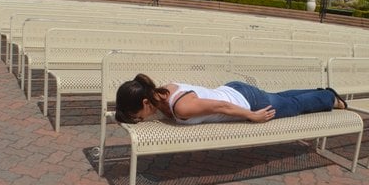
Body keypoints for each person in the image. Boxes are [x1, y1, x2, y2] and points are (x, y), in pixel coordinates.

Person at [114, 73, 348, 125]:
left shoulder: (181, 105)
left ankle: (329, 98)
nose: (139, 120)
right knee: (280, 98)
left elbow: (221, 106)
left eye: (137, 117)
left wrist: (252, 116)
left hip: (246, 101)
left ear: (145, 103)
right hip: (234, 89)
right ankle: (320, 92)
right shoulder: (160, 92)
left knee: (293, 107)